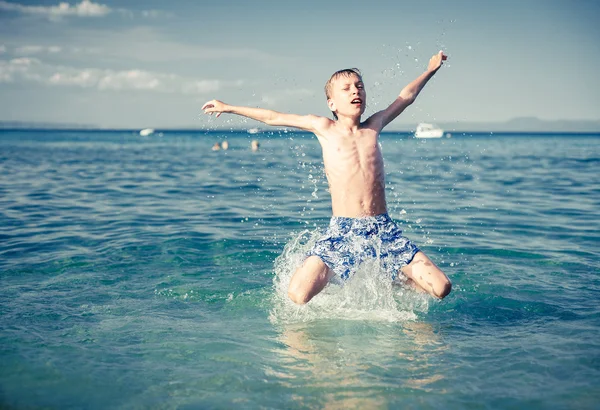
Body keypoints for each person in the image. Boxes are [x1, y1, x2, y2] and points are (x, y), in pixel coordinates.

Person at [202, 51, 452, 304]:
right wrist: (228, 107)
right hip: (343, 230)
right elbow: (273, 117)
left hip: (383, 229)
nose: (355, 91)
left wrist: (430, 69)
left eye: (359, 86)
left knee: (441, 287)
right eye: (346, 88)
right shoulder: (323, 127)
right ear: (332, 103)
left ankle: (391, 283)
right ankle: (336, 281)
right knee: (298, 295)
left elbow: (406, 97)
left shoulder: (374, 125)